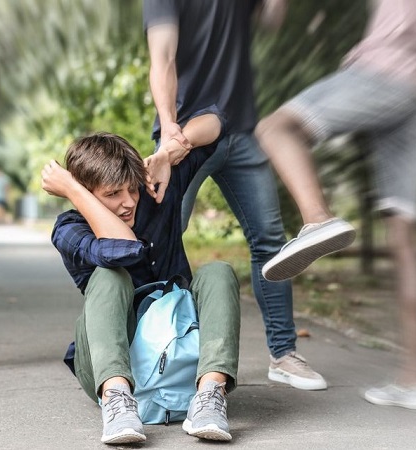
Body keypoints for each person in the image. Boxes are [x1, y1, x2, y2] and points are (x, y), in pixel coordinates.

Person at [255, 0, 416, 410]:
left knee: (276, 128)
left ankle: (318, 219)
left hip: (382, 70)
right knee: (405, 241)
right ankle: (415, 382)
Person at [143, 0, 329, 392]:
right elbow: (162, 57)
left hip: (240, 131)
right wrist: (168, 126)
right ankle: (152, 354)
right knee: (162, 244)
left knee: (270, 242)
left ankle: (284, 354)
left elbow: (273, 20)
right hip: (185, 133)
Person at [41, 123, 241, 444]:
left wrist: (166, 152)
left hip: (180, 348)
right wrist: (74, 190)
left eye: (131, 189)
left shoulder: (155, 193)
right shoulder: (69, 228)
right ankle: (118, 402)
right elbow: (123, 246)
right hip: (111, 364)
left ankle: (209, 396)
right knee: (110, 273)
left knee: (218, 271)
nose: (129, 202)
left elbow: (216, 126)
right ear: (85, 195)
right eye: (112, 194)